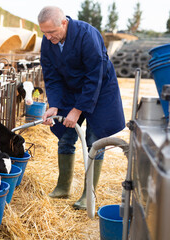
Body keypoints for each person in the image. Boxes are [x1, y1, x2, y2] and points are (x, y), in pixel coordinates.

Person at [38, 6, 125, 209]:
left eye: (52, 32)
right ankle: (63, 187)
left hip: (99, 91)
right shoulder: (48, 40)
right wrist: (55, 105)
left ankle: (89, 195)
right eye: (44, 33)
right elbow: (51, 75)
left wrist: (77, 110)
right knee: (65, 136)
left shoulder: (87, 35)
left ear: (64, 23)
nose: (49, 37)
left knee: (95, 141)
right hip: (70, 90)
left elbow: (95, 75)